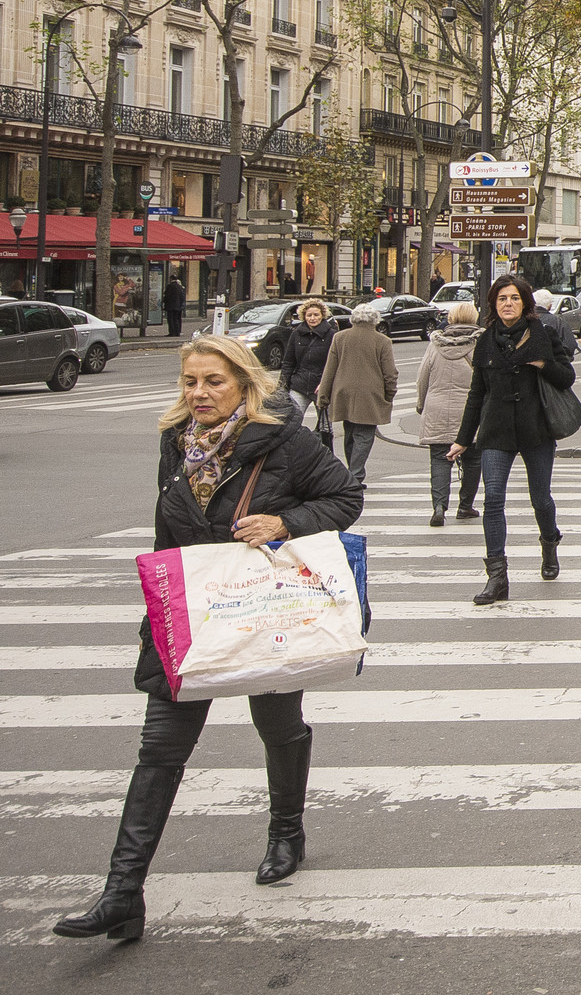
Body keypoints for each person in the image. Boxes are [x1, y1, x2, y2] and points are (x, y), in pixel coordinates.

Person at [52, 335, 362, 941]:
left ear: (245, 384)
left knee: (278, 727)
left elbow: (346, 496)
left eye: (213, 382)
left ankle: (286, 830)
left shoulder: (286, 442)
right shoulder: (176, 444)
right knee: (159, 750)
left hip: (264, 615)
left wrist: (284, 522)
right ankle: (123, 893)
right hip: (190, 615)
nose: (198, 393)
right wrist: (159, 615)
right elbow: (168, 533)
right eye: (190, 382)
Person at [449, 275, 578, 605]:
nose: (508, 303)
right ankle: (497, 576)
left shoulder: (543, 334)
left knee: (540, 498)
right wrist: (463, 439)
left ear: (525, 304)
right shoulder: (486, 341)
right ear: (493, 304)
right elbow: (477, 394)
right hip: (496, 431)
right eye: (502, 298)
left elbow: (567, 377)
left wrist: (543, 363)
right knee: (492, 498)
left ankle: (549, 542)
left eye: (514, 298)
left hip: (536, 430)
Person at [415, 302, 484, 526]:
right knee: (473, 460)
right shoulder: (480, 344)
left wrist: (421, 404)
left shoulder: (435, 344)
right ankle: (465, 506)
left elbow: (422, 376)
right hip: (471, 412)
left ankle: (439, 506)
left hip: (437, 408)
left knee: (439, 459)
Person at [314, 304, 397, 486]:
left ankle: (352, 473)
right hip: (370, 394)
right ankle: (355, 475)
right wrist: (389, 394)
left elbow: (329, 370)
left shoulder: (339, 338)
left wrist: (323, 397)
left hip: (343, 392)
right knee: (364, 436)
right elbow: (390, 373)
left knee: (350, 433)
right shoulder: (382, 341)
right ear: (375, 320)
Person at [277, 299, 337, 443]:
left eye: (316, 315)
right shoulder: (296, 334)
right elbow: (288, 362)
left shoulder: (332, 335)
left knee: (325, 426)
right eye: (309, 315)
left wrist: (325, 383)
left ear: (322, 315)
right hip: (300, 384)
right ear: (303, 316)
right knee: (291, 422)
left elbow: (335, 364)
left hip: (321, 387)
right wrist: (282, 386)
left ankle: (326, 456)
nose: (312, 318)